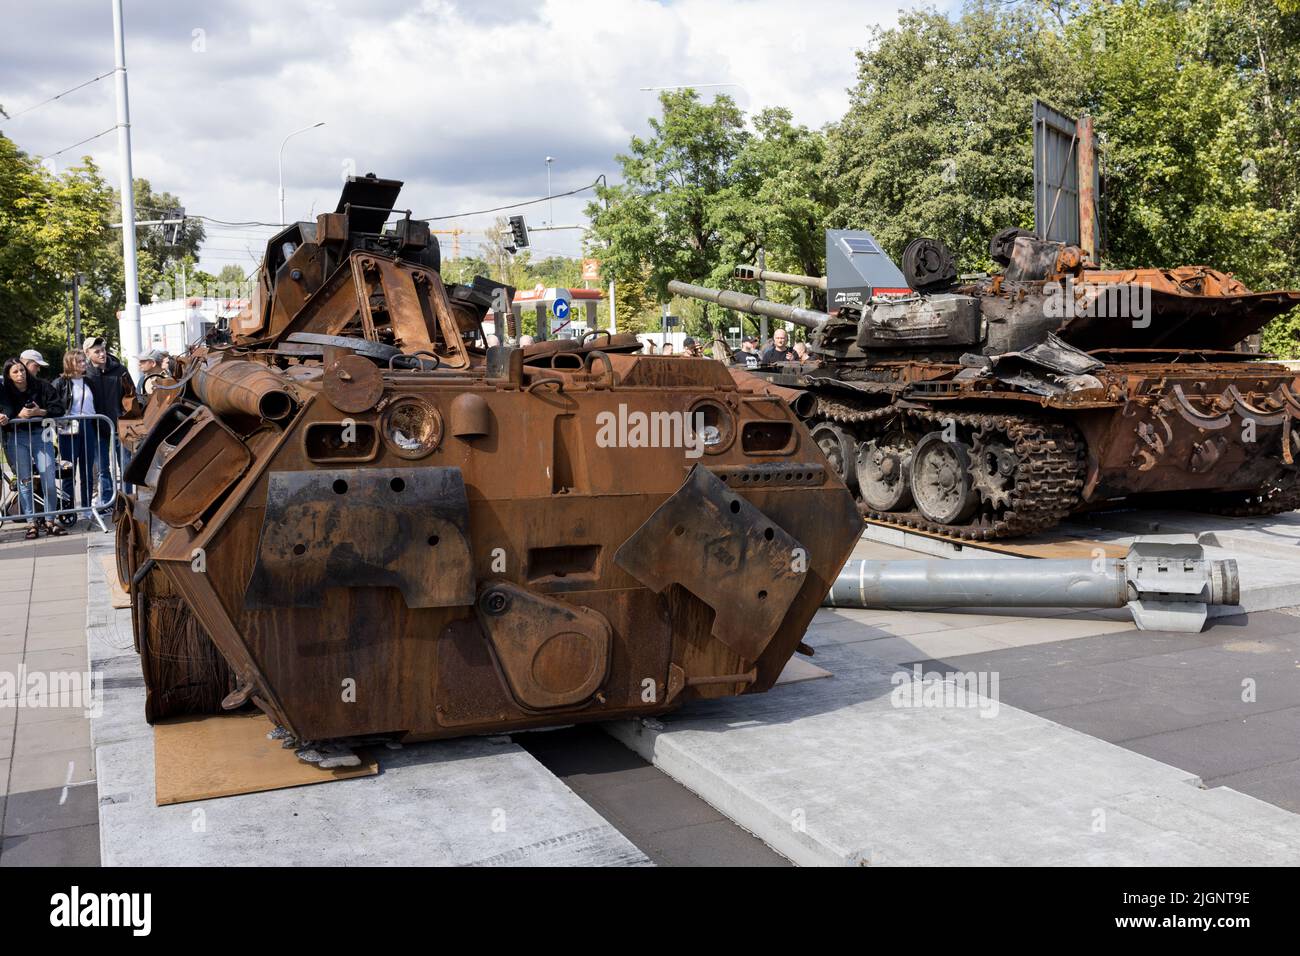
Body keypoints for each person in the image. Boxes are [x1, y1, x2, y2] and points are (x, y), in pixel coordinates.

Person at [1, 357, 67, 537]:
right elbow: (5, 411)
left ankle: (50, 520)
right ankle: (31, 523)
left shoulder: (42, 386)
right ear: (8, 375)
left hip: (41, 436)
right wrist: (13, 415)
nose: (20, 374)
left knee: (48, 479)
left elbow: (59, 408)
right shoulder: (5, 391)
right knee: (24, 481)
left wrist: (39, 412)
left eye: (22, 370)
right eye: (15, 372)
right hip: (17, 437)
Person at [82, 336, 135, 510]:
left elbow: (131, 394)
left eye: (103, 349)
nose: (102, 353)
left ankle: (127, 499)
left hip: (120, 425)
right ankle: (107, 501)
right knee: (103, 467)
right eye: (96, 351)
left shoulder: (120, 370)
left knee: (125, 465)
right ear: (87, 353)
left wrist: (128, 415)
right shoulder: (85, 373)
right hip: (97, 427)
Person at [53, 349, 98, 519]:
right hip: (68, 429)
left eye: (84, 361)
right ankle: (69, 509)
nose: (83, 364)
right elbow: (54, 406)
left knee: (87, 470)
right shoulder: (60, 383)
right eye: (79, 361)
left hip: (88, 426)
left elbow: (96, 404)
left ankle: (86, 507)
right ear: (70, 363)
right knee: (68, 470)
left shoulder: (89, 382)